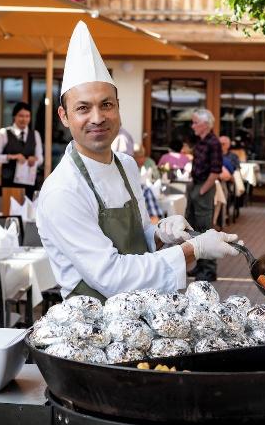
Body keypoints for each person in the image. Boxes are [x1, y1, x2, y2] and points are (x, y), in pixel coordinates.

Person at [36, 21, 240, 300]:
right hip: (92, 319)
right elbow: (111, 276)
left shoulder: (126, 165)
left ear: (118, 107)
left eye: (106, 104)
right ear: (64, 116)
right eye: (83, 108)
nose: (98, 118)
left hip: (142, 308)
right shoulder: (63, 190)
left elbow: (138, 239)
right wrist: (194, 249)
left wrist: (160, 234)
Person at [186, 108, 223, 282]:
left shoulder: (213, 143)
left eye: (195, 122)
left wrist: (202, 190)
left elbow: (216, 171)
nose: (192, 126)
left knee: (205, 229)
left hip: (203, 188)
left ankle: (209, 270)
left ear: (205, 124)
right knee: (195, 229)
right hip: (196, 186)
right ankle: (200, 266)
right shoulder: (202, 141)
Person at [0, 101, 43, 198]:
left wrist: (35, 160)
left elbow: (40, 159)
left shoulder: (35, 134)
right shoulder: (3, 133)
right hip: (9, 182)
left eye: (27, 116)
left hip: (29, 182)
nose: (24, 119)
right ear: (14, 116)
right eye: (21, 116)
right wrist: (11, 157)